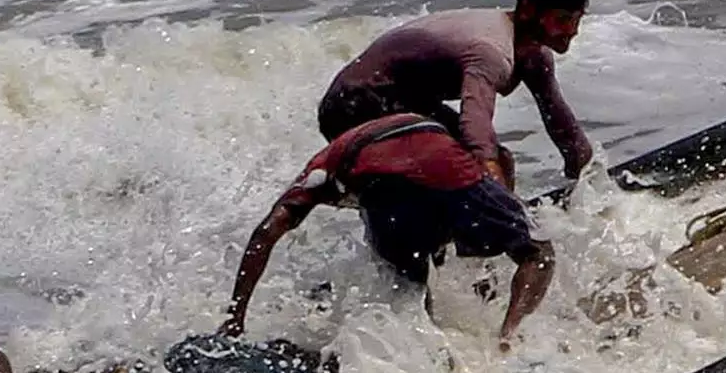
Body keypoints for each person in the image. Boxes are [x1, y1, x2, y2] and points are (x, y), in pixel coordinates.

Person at [229, 51, 559, 344]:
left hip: (383, 194)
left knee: (410, 292)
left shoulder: (329, 159)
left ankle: (431, 357)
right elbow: (499, 159)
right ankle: (509, 339)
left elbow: (266, 232)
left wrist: (235, 318)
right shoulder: (418, 121)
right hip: (445, 166)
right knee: (538, 253)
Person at [319, 0, 597, 194]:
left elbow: (565, 130)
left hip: (403, 102)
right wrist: (502, 205)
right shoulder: (491, 50)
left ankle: (483, 240)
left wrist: (591, 187)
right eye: (563, 19)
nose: (572, 30)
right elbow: (476, 128)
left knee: (498, 161)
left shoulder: (534, 56)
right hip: (352, 104)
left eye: (577, 19)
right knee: (478, 164)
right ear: (527, 10)